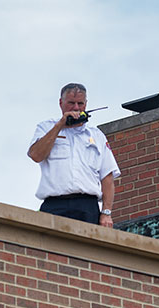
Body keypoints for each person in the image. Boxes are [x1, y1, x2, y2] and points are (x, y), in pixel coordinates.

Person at [28, 83, 120, 227]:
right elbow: (35, 155)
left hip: (87, 206)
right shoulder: (46, 127)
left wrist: (106, 213)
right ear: (61, 103)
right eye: (71, 103)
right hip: (54, 205)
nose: (76, 108)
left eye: (80, 103)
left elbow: (107, 177)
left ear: (86, 104)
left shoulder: (96, 136)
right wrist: (60, 126)